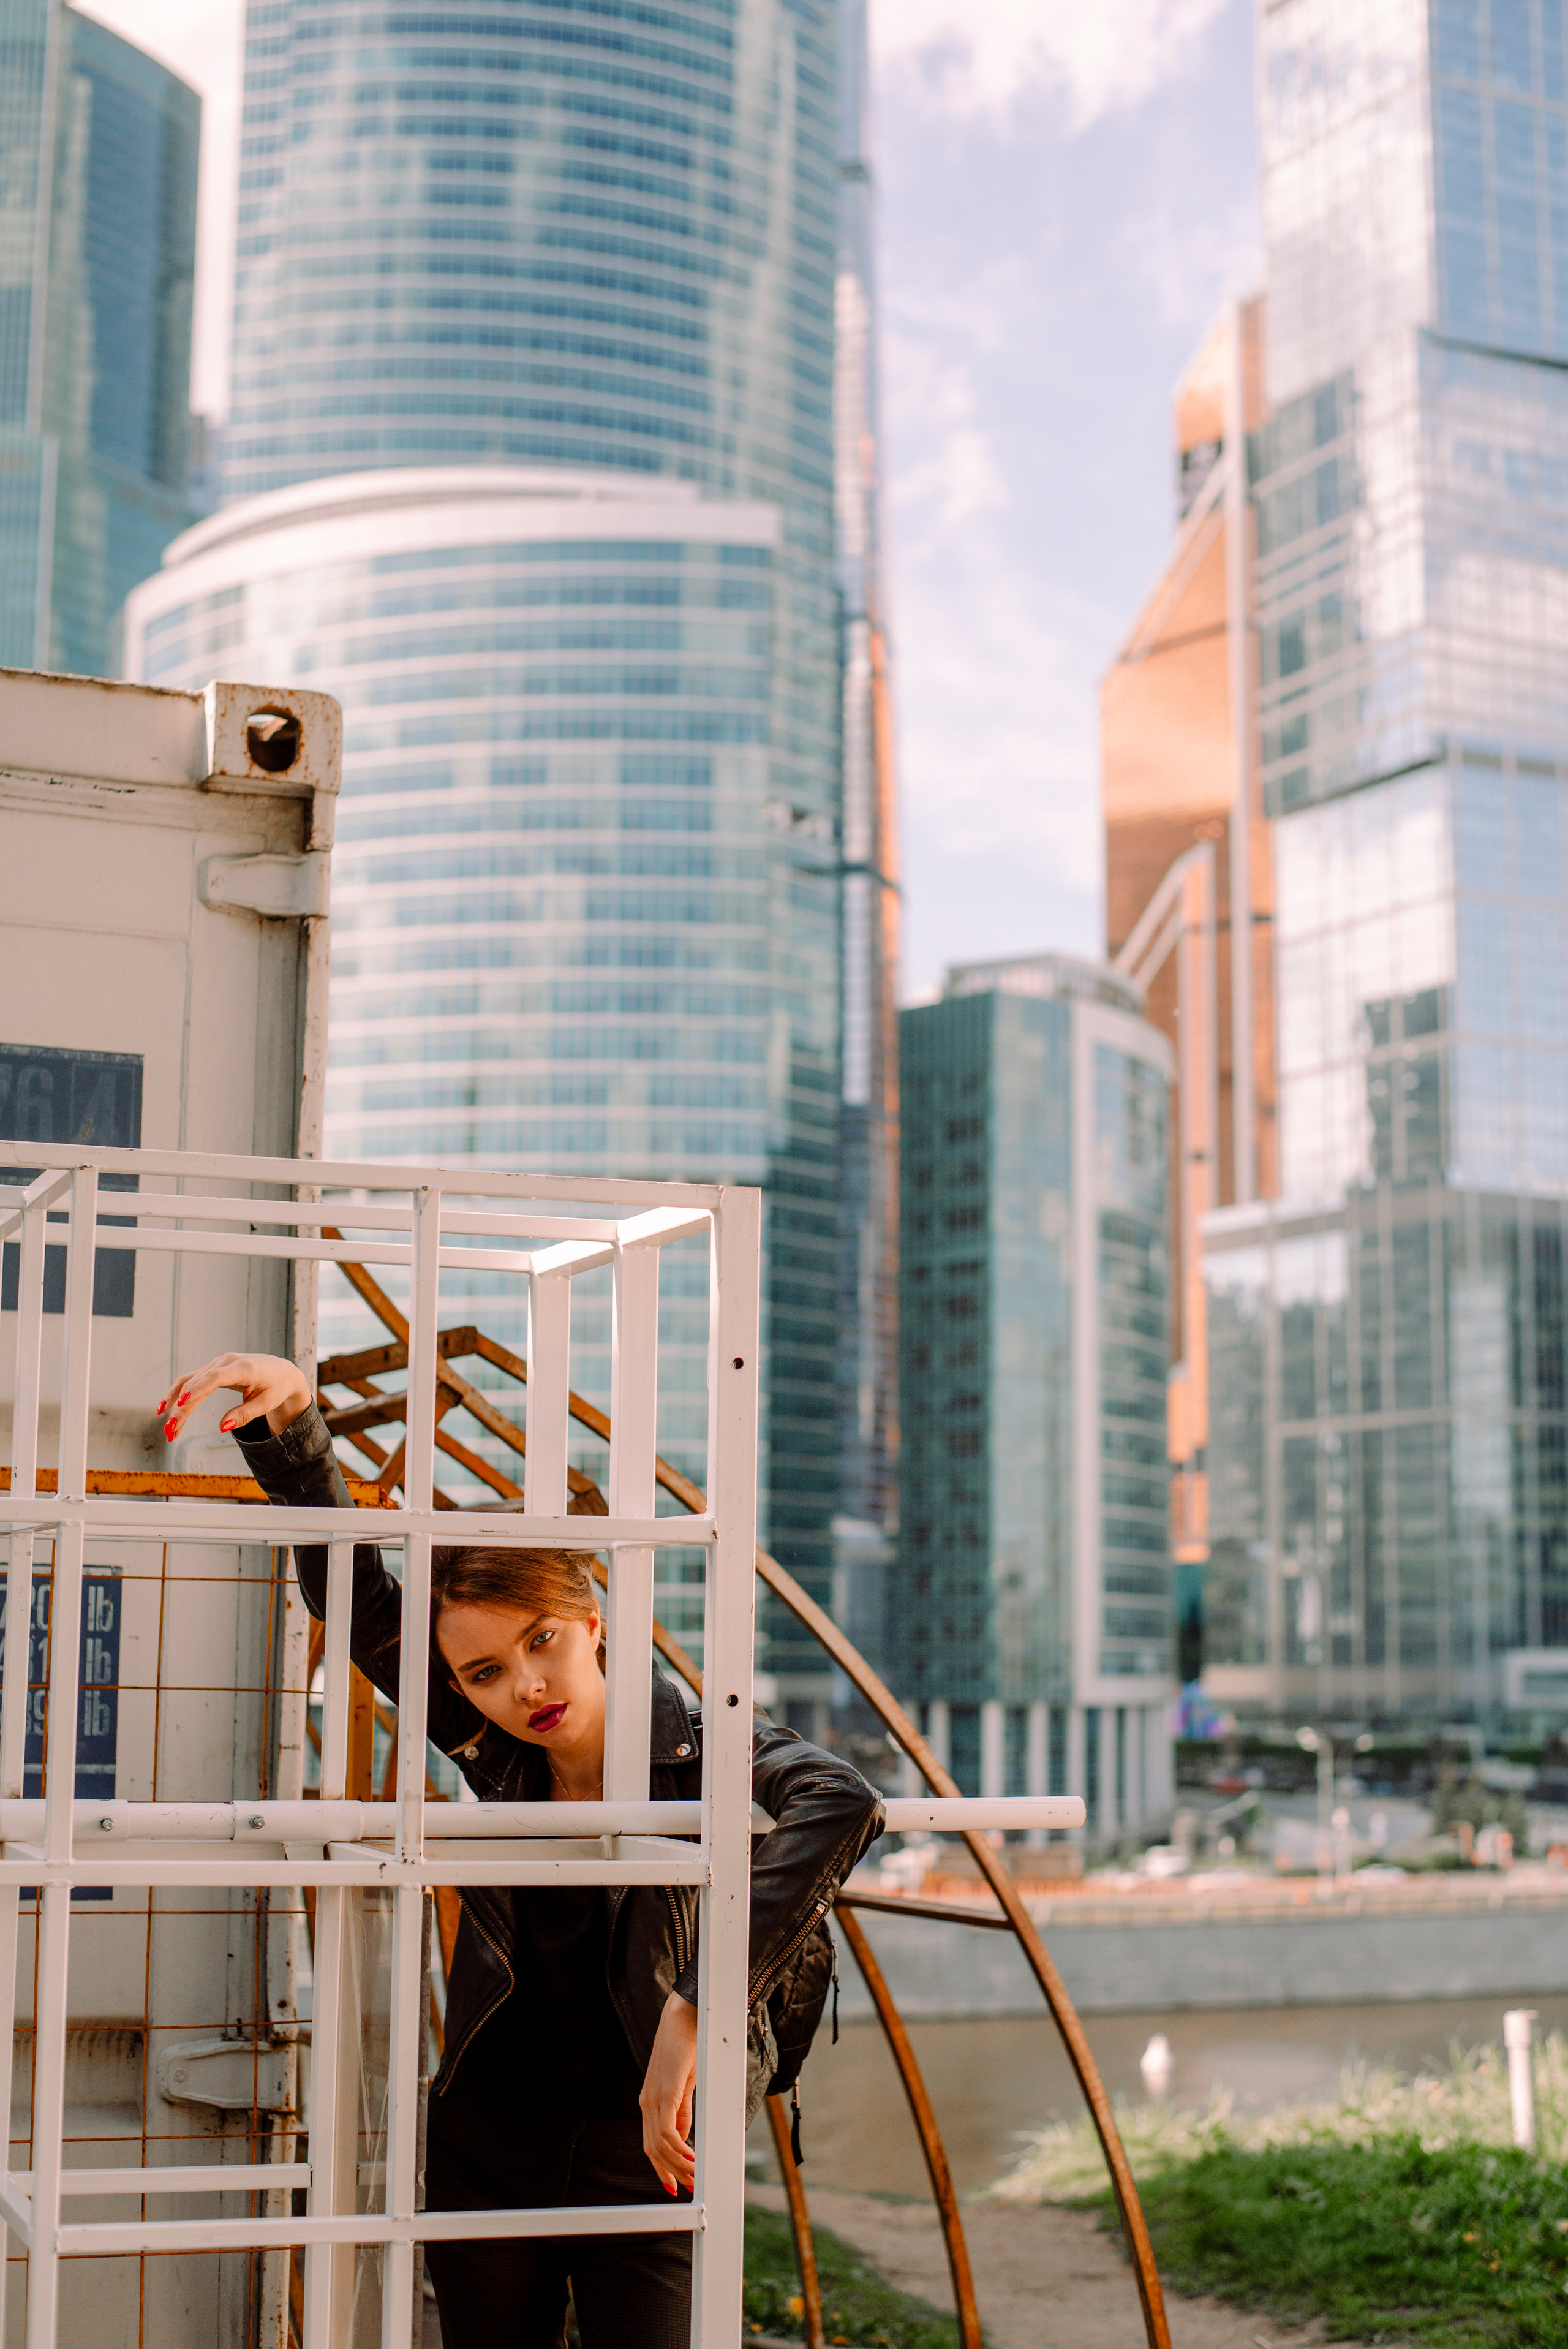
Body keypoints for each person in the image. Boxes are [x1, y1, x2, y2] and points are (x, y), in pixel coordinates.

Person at [156, 1353, 881, 2349]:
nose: (527, 1686)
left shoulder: (704, 1742)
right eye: (486, 1671)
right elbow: (358, 1603)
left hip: (653, 2152)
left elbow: (842, 1798)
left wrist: (697, 2003)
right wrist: (289, 1428)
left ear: (592, 1622)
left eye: (543, 1640)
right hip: (490, 2148)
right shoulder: (494, 1748)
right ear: (461, 1684)